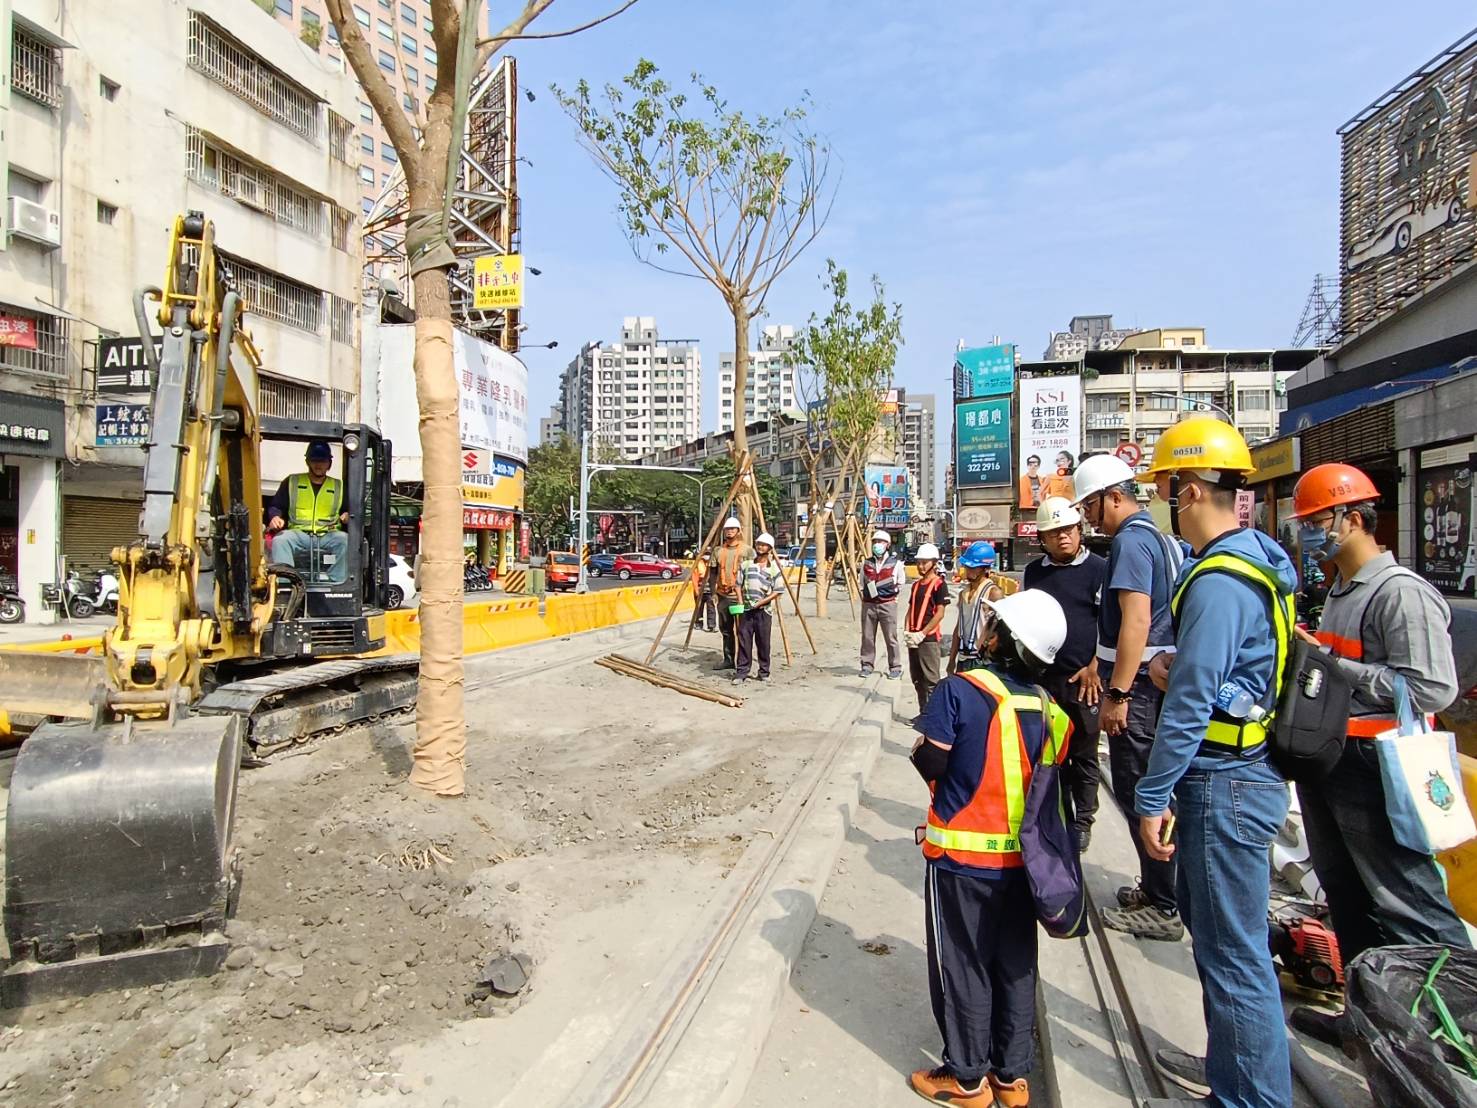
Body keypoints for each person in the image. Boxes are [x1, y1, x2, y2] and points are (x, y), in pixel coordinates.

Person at [1127, 418, 1295, 1108]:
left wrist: (1149, 795)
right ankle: (1229, 1076)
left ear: (1190, 488)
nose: (1165, 500)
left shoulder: (1222, 579)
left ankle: (1249, 1098)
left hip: (1221, 782)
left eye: (1167, 488)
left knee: (1233, 960)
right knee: (1224, 952)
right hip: (1235, 774)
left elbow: (1192, 703)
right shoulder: (1254, 559)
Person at [1284, 462, 1468, 1046]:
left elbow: (1432, 688)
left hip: (1378, 770)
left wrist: (1331, 666)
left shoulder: (1399, 594)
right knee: (1349, 898)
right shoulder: (1338, 591)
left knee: (1407, 902)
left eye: (1319, 522)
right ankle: (1371, 1024)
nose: (1311, 534)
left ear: (1354, 518)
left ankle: (1452, 1034)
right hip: (1333, 763)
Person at [909, 590, 1072, 1108]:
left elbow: (932, 762)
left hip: (962, 861)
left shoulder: (959, 691)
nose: (984, 629)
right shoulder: (1051, 710)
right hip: (1025, 867)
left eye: (992, 625)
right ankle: (1012, 1076)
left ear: (1003, 640)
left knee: (964, 964)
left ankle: (966, 1078)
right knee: (1015, 962)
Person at [1071, 452, 1185, 941]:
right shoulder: (1156, 538)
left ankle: (1163, 905)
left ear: (1112, 496)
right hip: (1144, 682)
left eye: (1090, 506)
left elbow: (1136, 620)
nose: (1086, 516)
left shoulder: (1133, 544)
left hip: (1137, 688)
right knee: (1146, 787)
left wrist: (1117, 693)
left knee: (1143, 789)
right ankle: (1156, 887)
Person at [1022, 497, 1107, 852]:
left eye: (1068, 530)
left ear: (1079, 530)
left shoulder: (1100, 570)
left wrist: (1095, 667)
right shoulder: (1035, 573)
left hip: (1084, 681)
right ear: (1042, 538)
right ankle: (1053, 813)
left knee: (1084, 755)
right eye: (1054, 533)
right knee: (1047, 752)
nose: (1062, 538)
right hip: (1044, 680)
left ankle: (1083, 819)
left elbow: (1111, 625)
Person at [266, 440, 350, 583]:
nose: (318, 465)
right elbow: (276, 506)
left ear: (329, 463)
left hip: (328, 534)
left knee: (346, 541)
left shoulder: (339, 486)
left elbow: (350, 509)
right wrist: (275, 516)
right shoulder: (292, 482)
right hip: (299, 534)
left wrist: (348, 514)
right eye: (314, 460)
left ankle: (336, 582)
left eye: (322, 461)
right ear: (307, 462)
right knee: (280, 540)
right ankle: (287, 583)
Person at [904, 542, 951, 716]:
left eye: (925, 562)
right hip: (914, 637)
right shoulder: (916, 585)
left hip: (928, 639)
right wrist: (907, 630)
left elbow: (940, 613)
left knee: (931, 680)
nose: (921, 566)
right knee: (917, 679)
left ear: (934, 563)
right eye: (919, 562)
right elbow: (911, 608)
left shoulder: (939, 584)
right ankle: (923, 713)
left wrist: (923, 633)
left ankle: (934, 717)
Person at [733, 532, 783, 685]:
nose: (760, 547)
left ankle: (764, 672)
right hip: (746, 611)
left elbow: (778, 591)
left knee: (763, 642)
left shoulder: (774, 568)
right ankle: (742, 672)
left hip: (764, 612)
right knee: (744, 641)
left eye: (764, 545)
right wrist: (741, 603)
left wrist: (762, 602)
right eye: (759, 544)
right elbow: (737, 585)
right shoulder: (746, 565)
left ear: (769, 548)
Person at [950, 541, 1004, 674]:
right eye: (967, 566)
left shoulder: (992, 592)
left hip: (982, 662)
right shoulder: (964, 593)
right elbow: (959, 628)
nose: (969, 570)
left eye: (973, 567)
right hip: (963, 659)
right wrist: (952, 660)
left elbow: (1000, 631)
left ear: (985, 568)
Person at [860, 529, 906, 679]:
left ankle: (895, 666)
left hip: (888, 604)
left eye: (880, 542)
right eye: (875, 542)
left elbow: (901, 583)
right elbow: (862, 583)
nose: (877, 544)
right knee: (867, 637)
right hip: (869, 605)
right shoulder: (866, 563)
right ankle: (867, 665)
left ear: (887, 544)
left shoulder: (896, 563)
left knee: (891, 637)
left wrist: (892, 595)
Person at [711, 517, 747, 670]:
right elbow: (713, 573)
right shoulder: (718, 551)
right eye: (727, 529)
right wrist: (713, 592)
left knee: (743, 631)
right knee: (726, 630)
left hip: (740, 596)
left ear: (738, 531)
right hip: (723, 595)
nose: (730, 531)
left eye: (733, 529)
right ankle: (729, 659)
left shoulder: (747, 550)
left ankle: (743, 661)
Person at [690, 551, 718, 633]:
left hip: (710, 591)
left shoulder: (713, 565)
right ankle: (698, 623)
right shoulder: (698, 564)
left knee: (711, 609)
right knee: (699, 609)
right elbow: (694, 579)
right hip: (700, 591)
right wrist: (696, 591)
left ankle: (711, 625)